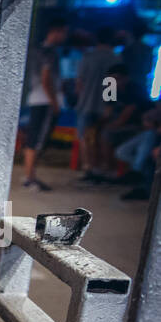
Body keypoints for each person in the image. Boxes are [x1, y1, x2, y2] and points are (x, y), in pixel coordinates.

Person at [21, 17, 69, 192]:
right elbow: (46, 76)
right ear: (55, 31)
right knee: (38, 140)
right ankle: (30, 177)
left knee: (33, 138)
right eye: (63, 32)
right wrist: (54, 101)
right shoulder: (49, 53)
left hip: (35, 98)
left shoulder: (36, 50)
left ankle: (29, 175)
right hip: (44, 100)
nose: (65, 36)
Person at [75, 26, 120, 180]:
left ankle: (89, 168)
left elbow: (79, 83)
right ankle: (103, 169)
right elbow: (112, 83)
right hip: (104, 106)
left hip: (86, 104)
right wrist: (109, 105)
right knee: (102, 139)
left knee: (85, 138)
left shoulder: (88, 57)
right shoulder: (115, 58)